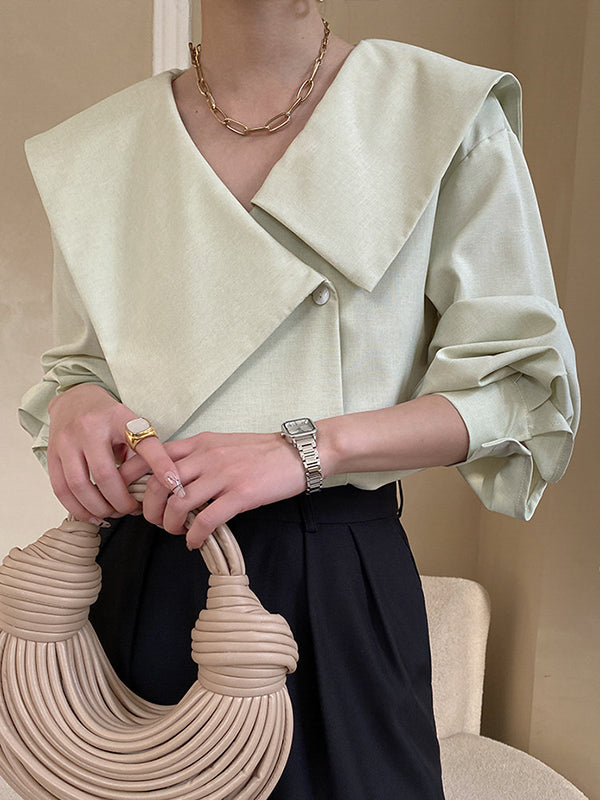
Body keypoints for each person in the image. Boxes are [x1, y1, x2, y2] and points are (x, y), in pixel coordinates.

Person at [19, 1, 580, 798]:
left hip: (335, 582)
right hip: (145, 571)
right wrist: (78, 401)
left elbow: (517, 388)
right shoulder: (103, 148)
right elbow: (80, 364)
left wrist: (306, 448)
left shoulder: (438, 112)